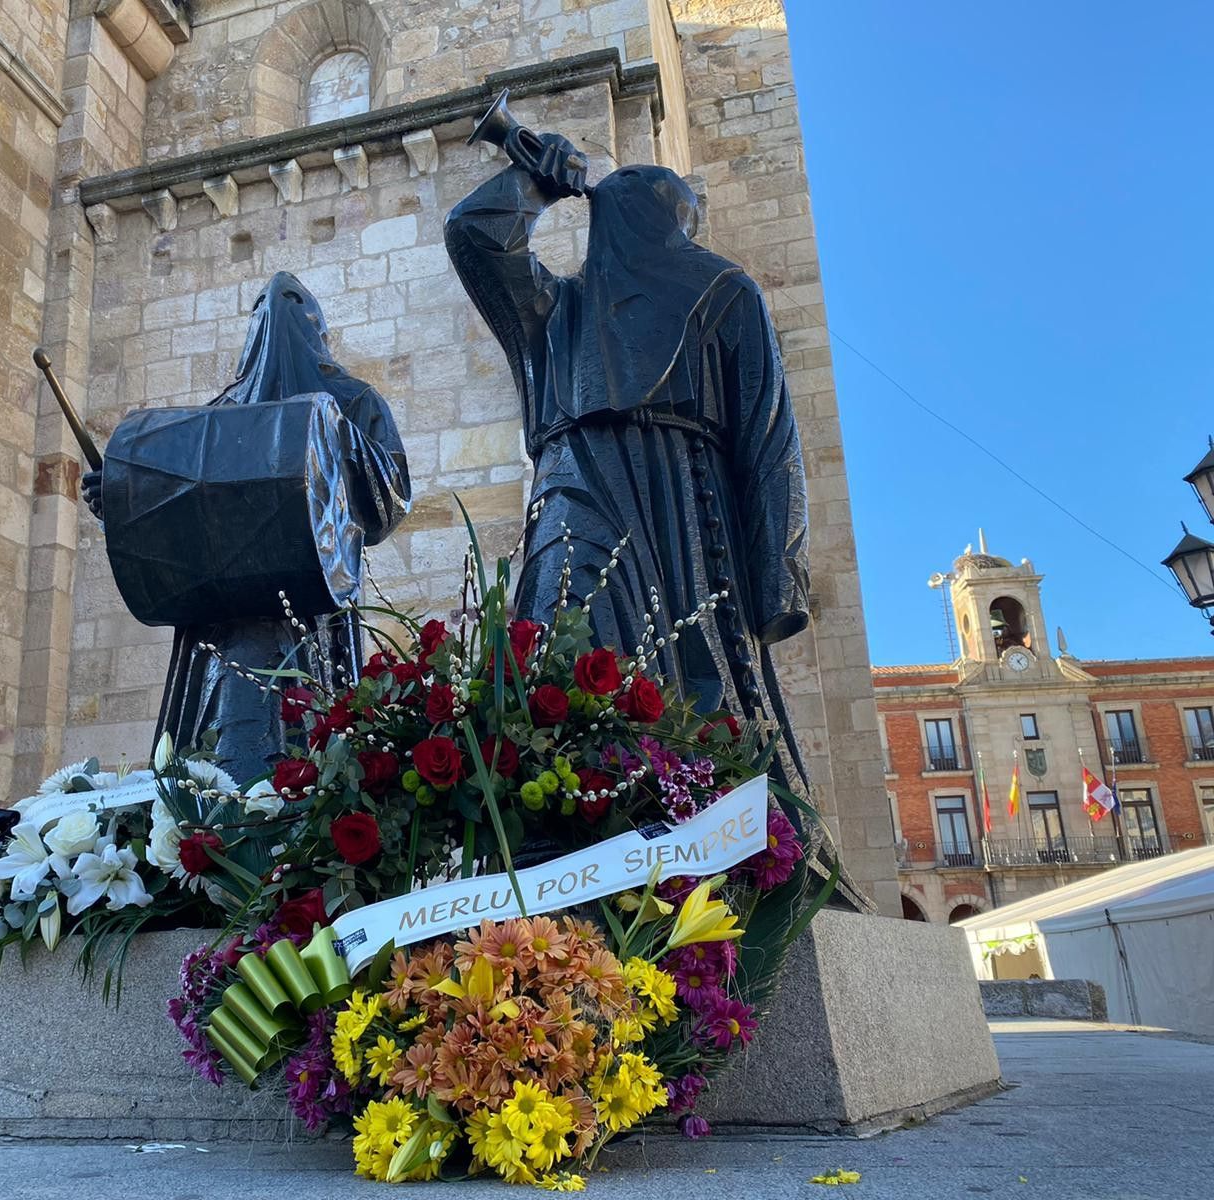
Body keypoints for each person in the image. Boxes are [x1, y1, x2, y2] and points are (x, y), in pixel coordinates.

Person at [444, 136, 811, 782]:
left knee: (673, 706)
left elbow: (765, 441)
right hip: (659, 517)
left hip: (640, 516)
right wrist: (535, 179)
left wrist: (537, 185)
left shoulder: (562, 310)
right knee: (566, 691)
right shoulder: (561, 310)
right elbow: (771, 447)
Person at [81, 272, 410, 783]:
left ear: (318, 324)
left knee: (307, 736)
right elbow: (175, 508)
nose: (276, 311)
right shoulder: (222, 412)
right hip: (222, 624)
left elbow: (391, 494)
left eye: (295, 302)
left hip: (311, 614)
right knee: (218, 752)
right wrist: (123, 494)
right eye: (260, 306)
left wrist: (331, 441)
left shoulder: (351, 399)